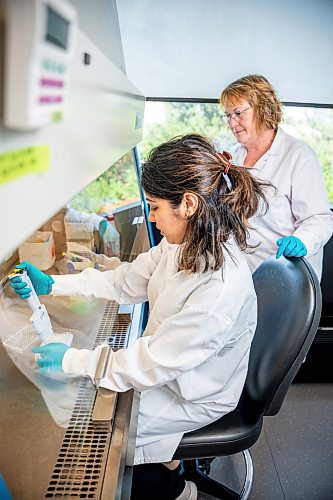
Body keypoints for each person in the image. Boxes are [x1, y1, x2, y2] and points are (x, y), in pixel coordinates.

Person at [10, 134, 268, 500]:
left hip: (195, 392)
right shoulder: (184, 241)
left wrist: (71, 359)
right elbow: (125, 281)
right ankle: (168, 469)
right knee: (104, 402)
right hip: (175, 369)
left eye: (155, 205)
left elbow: (153, 362)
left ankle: (178, 492)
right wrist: (53, 283)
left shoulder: (219, 288)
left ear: (189, 204)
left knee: (100, 436)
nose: (150, 215)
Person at [220, 74, 333, 279]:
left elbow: (320, 219)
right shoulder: (234, 157)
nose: (232, 122)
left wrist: (302, 240)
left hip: (287, 276)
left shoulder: (298, 155)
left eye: (238, 113)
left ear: (263, 108)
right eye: (227, 115)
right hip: (242, 274)